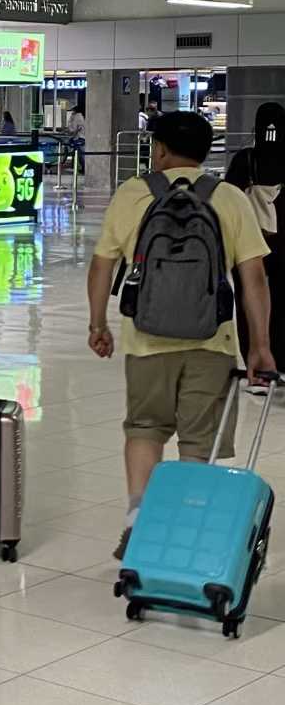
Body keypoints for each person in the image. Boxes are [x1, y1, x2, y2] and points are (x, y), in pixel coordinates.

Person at [86, 111, 274, 560]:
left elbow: (102, 266)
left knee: (145, 428)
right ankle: (184, 530)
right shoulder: (229, 198)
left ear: (161, 149)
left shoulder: (133, 194)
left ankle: (137, 521)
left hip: (145, 339)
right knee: (198, 442)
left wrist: (98, 324)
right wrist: (260, 346)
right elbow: (254, 279)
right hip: (212, 342)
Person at [226, 102, 285, 384]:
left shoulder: (244, 159)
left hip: (249, 244)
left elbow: (229, 199)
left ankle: (253, 354)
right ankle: (280, 358)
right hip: (283, 246)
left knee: (248, 298)